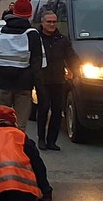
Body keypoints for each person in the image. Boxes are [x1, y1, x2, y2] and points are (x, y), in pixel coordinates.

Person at [0, 106, 51, 201]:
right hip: (24, 193)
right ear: (14, 122)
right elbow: (38, 165)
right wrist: (46, 191)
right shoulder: (21, 136)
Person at [0, 0, 42, 131]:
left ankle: (2, 148)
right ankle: (17, 149)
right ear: (29, 14)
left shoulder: (0, 33)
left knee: (1, 123)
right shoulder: (32, 34)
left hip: (3, 85)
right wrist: (39, 90)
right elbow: (37, 64)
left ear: (14, 13)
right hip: (24, 86)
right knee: (20, 125)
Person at [34, 9, 70, 151]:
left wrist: (76, 70)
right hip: (42, 80)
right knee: (43, 109)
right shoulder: (36, 39)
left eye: (54, 22)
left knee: (57, 111)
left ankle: (52, 141)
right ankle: (41, 139)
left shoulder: (62, 40)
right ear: (42, 23)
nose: (51, 24)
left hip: (58, 80)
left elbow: (70, 57)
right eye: (48, 22)